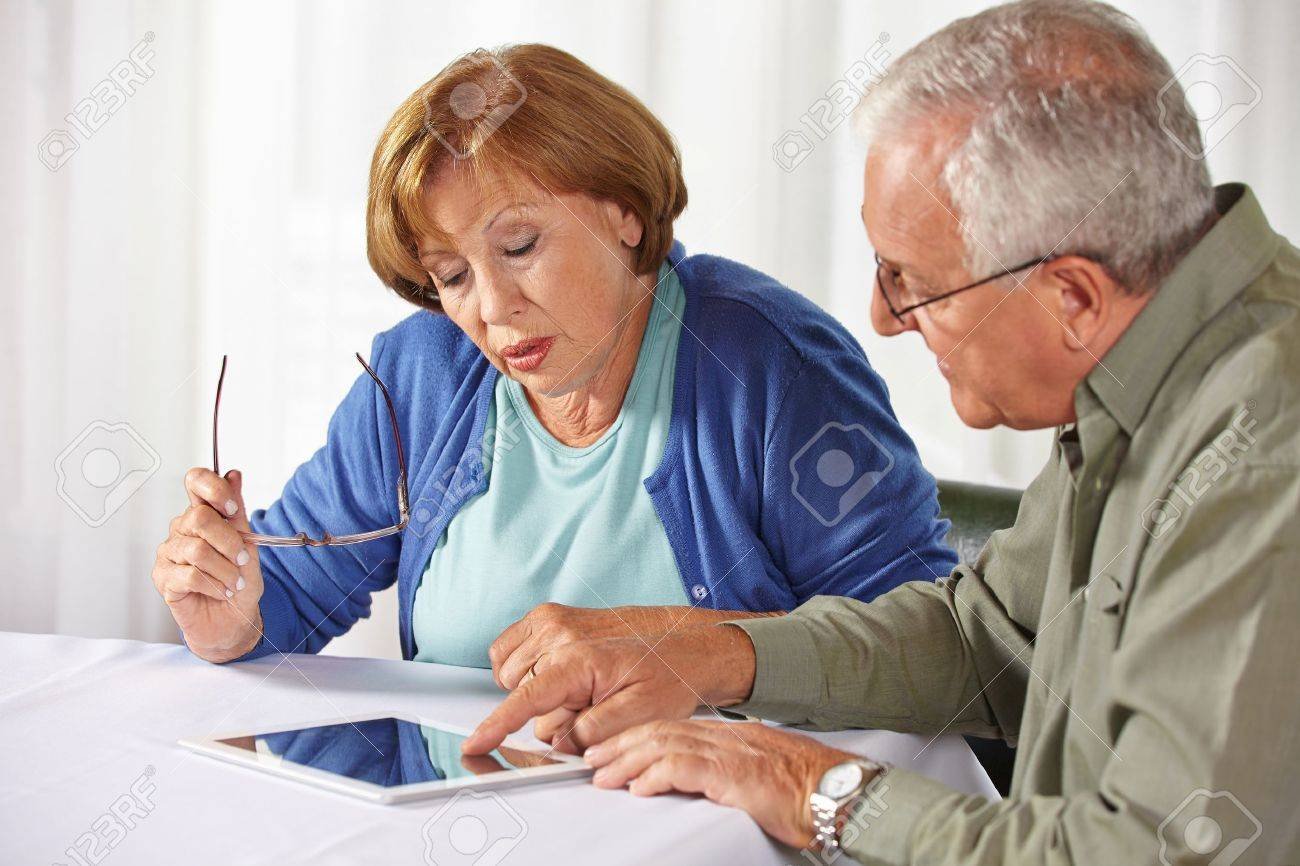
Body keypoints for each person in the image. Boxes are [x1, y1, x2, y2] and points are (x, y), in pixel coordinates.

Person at [463, 3, 1300, 863]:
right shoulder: (1154, 365)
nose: (883, 317)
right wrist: (712, 653)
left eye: (912, 281)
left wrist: (814, 790)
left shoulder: (1266, 447)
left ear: (1074, 297)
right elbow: (985, 638)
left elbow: (1151, 853)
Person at [149, 44, 955, 671]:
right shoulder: (422, 376)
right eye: (452, 276)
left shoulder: (772, 365)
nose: (493, 308)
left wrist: (697, 650)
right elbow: (285, 601)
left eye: (520, 246)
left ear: (624, 212)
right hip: (449, 815)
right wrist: (228, 616)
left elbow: (919, 651)